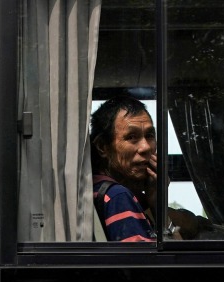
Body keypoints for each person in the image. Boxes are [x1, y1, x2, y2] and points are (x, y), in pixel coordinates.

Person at [90, 95, 212, 242]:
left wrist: (155, 200)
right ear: (103, 147)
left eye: (149, 135)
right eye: (131, 137)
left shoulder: (96, 188)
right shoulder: (117, 196)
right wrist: (157, 205)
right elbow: (167, 263)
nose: (146, 147)